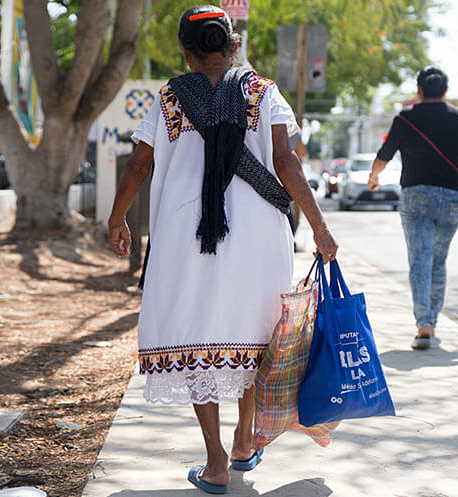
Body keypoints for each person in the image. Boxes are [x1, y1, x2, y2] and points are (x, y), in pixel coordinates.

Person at [107, 5, 337, 494]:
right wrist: (318, 226)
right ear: (234, 47)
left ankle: (214, 462)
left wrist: (117, 215)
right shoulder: (262, 91)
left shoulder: (170, 97)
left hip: (185, 233)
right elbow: (287, 163)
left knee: (197, 332)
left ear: (186, 52)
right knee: (255, 331)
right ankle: (243, 440)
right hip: (257, 232)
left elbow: (137, 165)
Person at [368, 66, 458, 351]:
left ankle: (424, 324)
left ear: (419, 90)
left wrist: (374, 176)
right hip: (452, 200)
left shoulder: (406, 119)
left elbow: (384, 155)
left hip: (417, 197)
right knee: (438, 261)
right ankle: (432, 321)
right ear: (446, 91)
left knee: (420, 260)